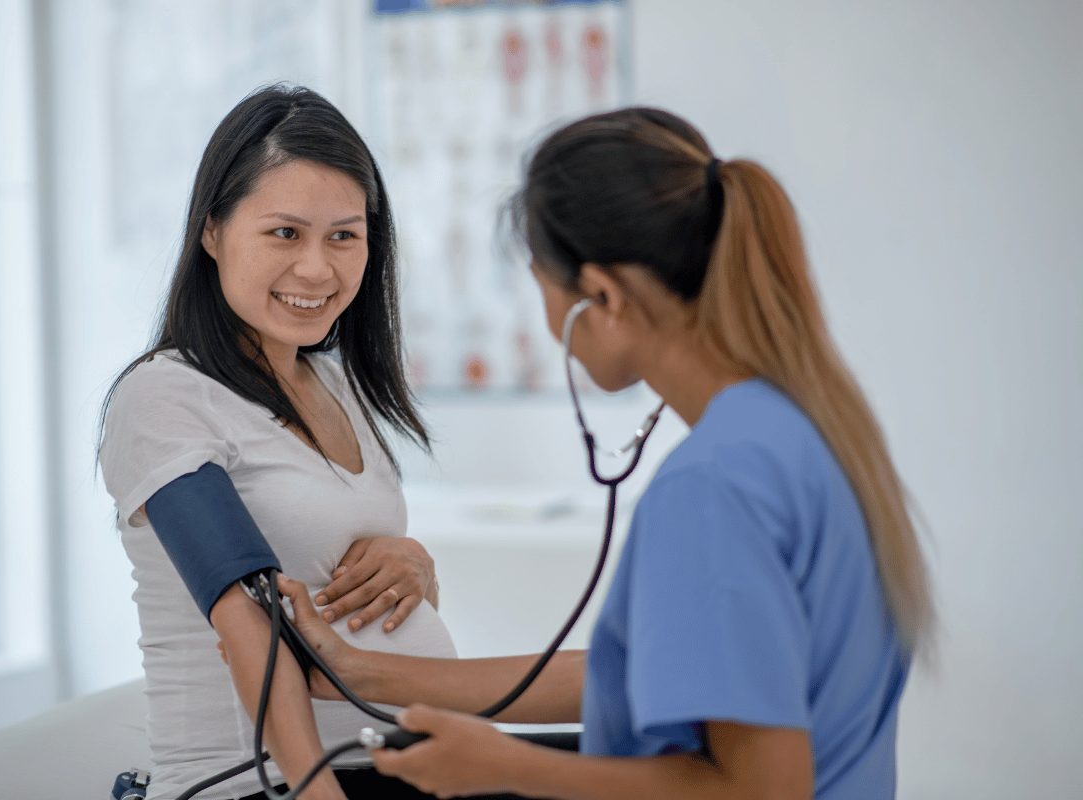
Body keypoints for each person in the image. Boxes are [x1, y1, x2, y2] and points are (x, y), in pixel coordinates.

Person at [275, 106, 936, 799]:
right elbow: (648, 675)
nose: (553, 324)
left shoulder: (711, 488)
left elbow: (764, 789)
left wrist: (504, 768)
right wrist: (373, 674)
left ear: (603, 297)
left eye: (546, 291)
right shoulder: (798, 433)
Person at [99, 86, 464, 800]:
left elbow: (341, 581)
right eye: (284, 233)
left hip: (393, 762)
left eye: (344, 235)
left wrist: (417, 568)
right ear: (212, 231)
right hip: (267, 785)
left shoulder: (341, 385)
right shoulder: (165, 396)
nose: (317, 270)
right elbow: (246, 620)